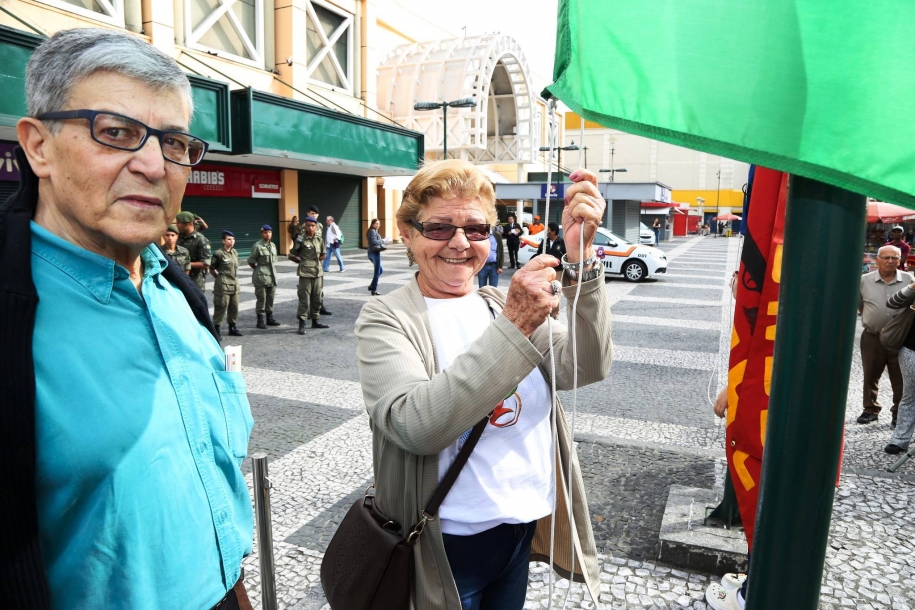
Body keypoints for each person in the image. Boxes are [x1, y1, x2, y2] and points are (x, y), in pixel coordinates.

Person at [1, 27, 254, 609]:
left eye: (174, 143)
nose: (154, 165)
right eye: (115, 132)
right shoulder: (12, 311)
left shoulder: (177, 289)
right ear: (38, 147)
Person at [355, 160, 612, 609]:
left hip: (520, 528)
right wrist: (516, 325)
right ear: (407, 233)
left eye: (475, 229)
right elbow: (415, 426)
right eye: (439, 228)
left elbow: (584, 367)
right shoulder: (387, 317)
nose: (459, 243)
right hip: (445, 543)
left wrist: (581, 258)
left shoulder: (496, 303)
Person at [857, 245, 912, 426]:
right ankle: (870, 409)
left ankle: (898, 412)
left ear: (899, 260)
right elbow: (861, 305)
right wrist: (873, 318)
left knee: (900, 377)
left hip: (900, 338)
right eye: (886, 258)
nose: (890, 261)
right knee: (870, 374)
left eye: (894, 258)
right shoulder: (864, 280)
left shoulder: (909, 280)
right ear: (877, 259)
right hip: (872, 336)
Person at [884, 278, 915, 454]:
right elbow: (892, 303)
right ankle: (900, 440)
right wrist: (912, 287)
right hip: (911, 350)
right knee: (910, 396)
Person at [289, 216, 328, 335]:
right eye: (308, 226)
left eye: (313, 226)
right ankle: (302, 323)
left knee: (317, 297)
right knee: (304, 299)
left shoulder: (319, 240)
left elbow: (323, 254)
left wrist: (314, 261)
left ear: (316, 227)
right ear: (305, 227)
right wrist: (302, 262)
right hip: (305, 274)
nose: (310, 228)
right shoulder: (300, 240)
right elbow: (291, 255)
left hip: (318, 273)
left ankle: (315, 321)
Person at [211, 230, 244, 341]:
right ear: (223, 241)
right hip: (223, 284)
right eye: (229, 239)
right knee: (221, 306)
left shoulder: (234, 252)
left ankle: (232, 327)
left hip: (234, 283)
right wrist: (219, 278)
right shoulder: (218, 253)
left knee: (234, 307)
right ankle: (216, 329)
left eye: (233, 239)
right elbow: (211, 268)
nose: (232, 241)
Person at [248, 224, 281, 329]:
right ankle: (260, 320)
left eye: (269, 232)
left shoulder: (273, 245)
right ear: (262, 234)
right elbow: (251, 261)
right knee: (261, 298)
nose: (268, 234)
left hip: (272, 276)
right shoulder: (257, 246)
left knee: (270, 298)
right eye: (265, 232)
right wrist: (258, 269)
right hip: (261, 276)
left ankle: (269, 318)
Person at [176, 209, 211, 292]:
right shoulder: (178, 237)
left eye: (178, 223)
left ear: (187, 224)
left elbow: (206, 264)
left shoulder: (200, 240)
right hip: (179, 281)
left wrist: (184, 264)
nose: (176, 225)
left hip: (195, 283)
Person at [366, 217, 385, 295]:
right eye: (376, 223)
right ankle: (374, 289)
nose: (378, 225)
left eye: (379, 224)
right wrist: (383, 240)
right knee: (377, 271)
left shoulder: (373, 231)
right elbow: (374, 242)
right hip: (374, 253)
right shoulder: (372, 231)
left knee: (380, 270)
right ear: (372, 224)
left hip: (374, 252)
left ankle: (372, 285)